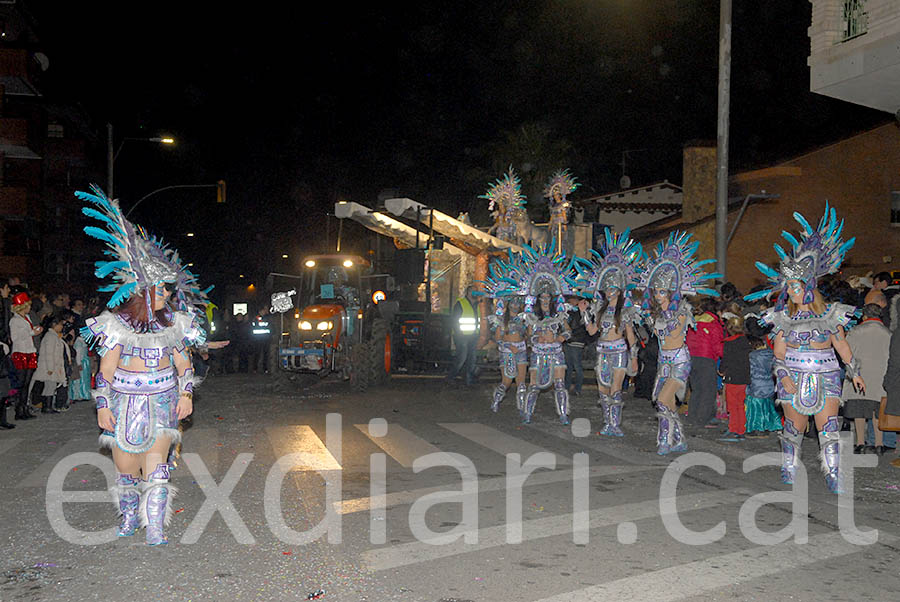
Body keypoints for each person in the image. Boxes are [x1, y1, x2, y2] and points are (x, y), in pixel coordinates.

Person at [78, 185, 208, 545]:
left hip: (163, 400)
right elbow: (104, 371)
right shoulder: (116, 325)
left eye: (168, 290)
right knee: (126, 469)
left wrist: (187, 395)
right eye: (160, 289)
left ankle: (156, 527)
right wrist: (102, 406)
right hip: (125, 402)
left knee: (158, 467)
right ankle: (130, 516)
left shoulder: (175, 324)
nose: (166, 295)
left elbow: (184, 363)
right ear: (142, 290)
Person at [745, 204, 863, 493]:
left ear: (809, 286)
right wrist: (783, 375)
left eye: (797, 287)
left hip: (826, 375)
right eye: (790, 288)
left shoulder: (831, 314)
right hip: (793, 377)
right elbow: (779, 353)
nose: (793, 293)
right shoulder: (782, 317)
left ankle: (833, 473)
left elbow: (841, 343)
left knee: (829, 428)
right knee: (794, 428)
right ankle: (789, 464)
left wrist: (854, 371)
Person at [639, 231, 721, 455]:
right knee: (662, 401)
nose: (658, 295)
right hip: (663, 361)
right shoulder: (655, 314)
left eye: (662, 291)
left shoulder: (682, 312)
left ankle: (664, 441)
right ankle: (679, 439)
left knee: (664, 400)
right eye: (655, 291)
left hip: (680, 361)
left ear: (671, 292)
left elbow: (674, 332)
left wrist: (661, 319)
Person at [576, 227, 644, 436]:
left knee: (615, 390)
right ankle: (608, 422)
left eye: (613, 287)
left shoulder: (625, 310)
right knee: (602, 391)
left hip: (619, 352)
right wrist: (585, 312)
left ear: (620, 289)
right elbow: (591, 331)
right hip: (603, 352)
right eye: (606, 287)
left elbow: (631, 335)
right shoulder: (599, 308)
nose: (609, 290)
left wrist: (633, 358)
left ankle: (614, 425)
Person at [842, 303, 891, 455]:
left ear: (864, 316)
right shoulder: (888, 333)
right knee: (877, 411)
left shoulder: (856, 331)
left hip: (860, 375)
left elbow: (847, 355)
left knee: (859, 410)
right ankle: (879, 443)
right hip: (880, 377)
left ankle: (860, 442)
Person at [686, 297, 724, 429]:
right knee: (708, 390)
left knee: (696, 389)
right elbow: (718, 344)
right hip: (707, 358)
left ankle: (692, 416)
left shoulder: (694, 320)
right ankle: (703, 419)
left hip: (691, 357)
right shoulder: (713, 323)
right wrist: (724, 356)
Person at [486, 296, 528, 415]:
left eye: (517, 303)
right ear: (508, 304)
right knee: (507, 381)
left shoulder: (524, 319)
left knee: (521, 383)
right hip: (507, 352)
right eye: (513, 303)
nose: (515, 306)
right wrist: (510, 346)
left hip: (521, 351)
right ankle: (496, 401)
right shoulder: (501, 319)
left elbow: (528, 335)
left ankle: (521, 408)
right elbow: (498, 339)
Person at [744, 318, 782, 437]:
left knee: (756, 409)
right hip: (768, 384)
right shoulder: (771, 354)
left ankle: (757, 427)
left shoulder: (752, 356)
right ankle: (771, 425)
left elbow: (749, 370)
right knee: (767, 406)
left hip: (756, 385)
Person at [8, 291, 43, 420]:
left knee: (27, 383)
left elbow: (28, 333)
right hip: (20, 352)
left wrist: (34, 332)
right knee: (21, 383)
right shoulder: (14, 320)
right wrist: (30, 332)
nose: (30, 307)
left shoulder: (26, 318)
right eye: (28, 305)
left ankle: (24, 407)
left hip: (29, 351)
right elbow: (15, 337)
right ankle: (19, 409)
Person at [719, 311, 750, 440]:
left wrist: (721, 370)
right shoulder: (745, 342)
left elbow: (726, 359)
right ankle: (741, 429)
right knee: (740, 405)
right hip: (743, 378)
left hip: (732, 377)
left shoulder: (729, 343)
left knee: (732, 405)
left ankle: (734, 429)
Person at [32, 314, 71, 414]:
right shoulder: (50, 337)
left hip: (54, 366)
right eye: (60, 325)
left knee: (51, 386)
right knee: (49, 386)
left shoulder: (54, 336)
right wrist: (50, 368)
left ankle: (48, 405)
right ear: (54, 325)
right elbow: (49, 354)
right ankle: (47, 406)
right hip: (50, 367)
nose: (62, 327)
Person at [447, 285, 480, 386]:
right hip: (462, 336)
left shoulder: (476, 305)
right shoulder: (461, 303)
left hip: (472, 336)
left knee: (471, 359)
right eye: (472, 291)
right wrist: (459, 334)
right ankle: (451, 377)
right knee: (462, 358)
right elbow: (454, 321)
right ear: (467, 292)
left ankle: (468, 380)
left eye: (476, 291)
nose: (474, 293)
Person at [564, 296, 590, 397]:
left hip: (576, 341)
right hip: (571, 340)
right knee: (570, 366)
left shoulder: (580, 312)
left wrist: (569, 333)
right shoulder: (571, 311)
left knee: (576, 366)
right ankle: (568, 387)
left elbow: (577, 326)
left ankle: (577, 388)